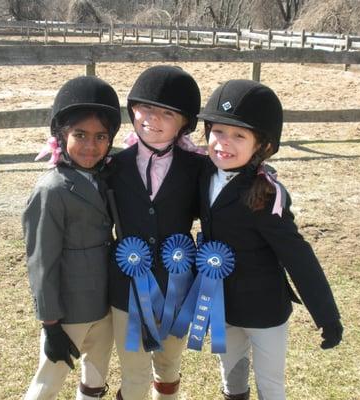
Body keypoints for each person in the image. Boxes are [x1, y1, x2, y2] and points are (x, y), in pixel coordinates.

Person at [197, 79, 343, 400]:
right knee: (232, 377)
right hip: (222, 305)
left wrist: (326, 315)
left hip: (265, 312)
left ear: (261, 146)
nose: (224, 143)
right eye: (218, 131)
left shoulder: (265, 196)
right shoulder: (203, 175)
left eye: (239, 135)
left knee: (270, 385)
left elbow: (298, 256)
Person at [107, 65, 205, 400]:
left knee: (169, 365)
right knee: (133, 375)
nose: (153, 118)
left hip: (178, 286)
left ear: (183, 123)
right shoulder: (113, 167)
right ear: (132, 109)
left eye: (166, 112)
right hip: (127, 289)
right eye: (145, 108)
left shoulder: (198, 168)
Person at [22, 76, 121, 400]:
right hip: (68, 313)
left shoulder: (103, 179)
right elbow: (42, 262)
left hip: (102, 306)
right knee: (47, 384)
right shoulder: (51, 190)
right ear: (62, 136)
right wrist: (50, 323)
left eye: (100, 137)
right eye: (80, 135)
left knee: (95, 381)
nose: (91, 146)